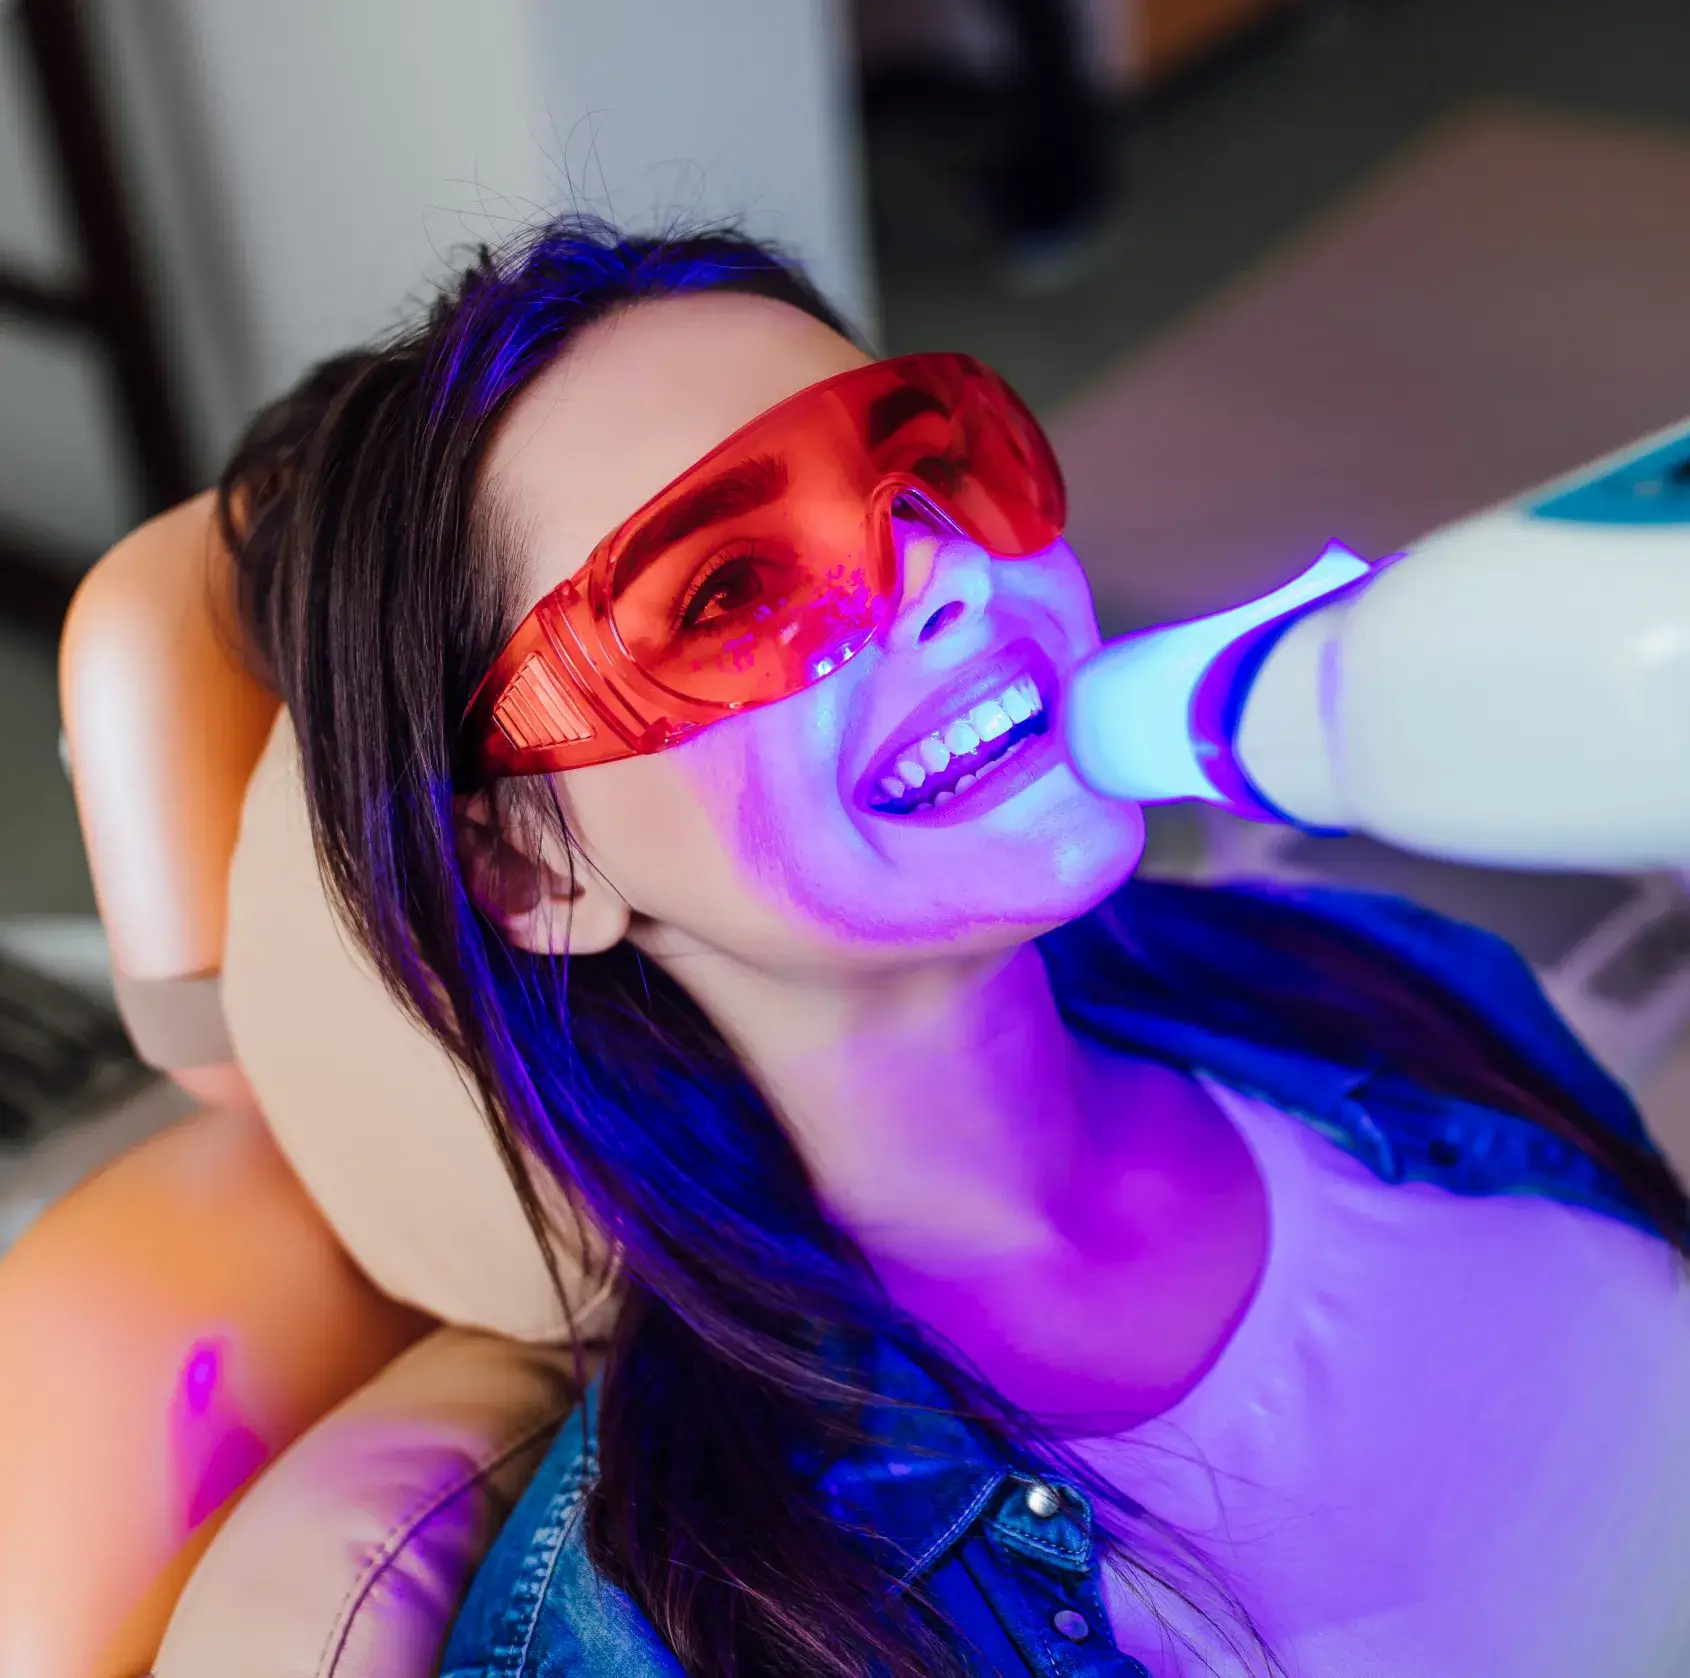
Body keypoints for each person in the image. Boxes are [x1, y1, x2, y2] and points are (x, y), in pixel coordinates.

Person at [217, 218, 1690, 1678]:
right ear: (530, 866)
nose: (949, 577)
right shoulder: (683, 1636)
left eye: (929, 471)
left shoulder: (1380, 970)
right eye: (730, 592)